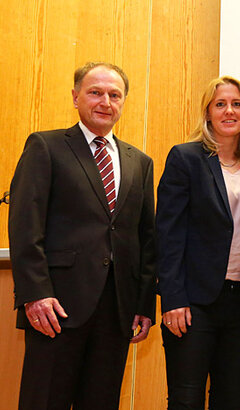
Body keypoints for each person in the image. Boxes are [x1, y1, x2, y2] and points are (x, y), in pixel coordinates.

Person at [8, 62, 155, 409]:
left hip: (116, 311)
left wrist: (143, 304)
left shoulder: (140, 161)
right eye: (95, 92)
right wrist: (35, 294)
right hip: (55, 308)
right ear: (76, 98)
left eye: (114, 95)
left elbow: (146, 238)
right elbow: (25, 226)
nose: (106, 101)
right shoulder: (46, 146)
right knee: (45, 400)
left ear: (123, 102)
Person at [155, 76, 240, 409]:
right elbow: (167, 234)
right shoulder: (186, 159)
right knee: (186, 400)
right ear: (208, 113)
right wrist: (172, 299)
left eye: (236, 104)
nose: (229, 111)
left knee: (231, 401)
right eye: (220, 104)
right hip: (194, 303)